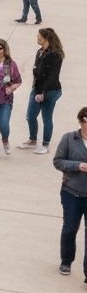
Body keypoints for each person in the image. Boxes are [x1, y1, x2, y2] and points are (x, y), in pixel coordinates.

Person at [52, 106, 87, 278]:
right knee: (69, 229)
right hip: (71, 192)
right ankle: (66, 260)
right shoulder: (69, 138)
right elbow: (58, 161)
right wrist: (77, 166)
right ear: (81, 121)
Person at [20, 28, 64, 154]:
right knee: (30, 116)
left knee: (46, 118)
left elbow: (53, 76)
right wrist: (36, 87)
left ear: (46, 38)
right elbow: (36, 70)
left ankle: (45, 144)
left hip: (50, 91)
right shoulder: (40, 51)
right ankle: (32, 140)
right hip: (37, 88)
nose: (37, 38)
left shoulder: (55, 55)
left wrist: (43, 92)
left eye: (39, 36)